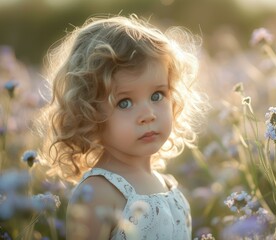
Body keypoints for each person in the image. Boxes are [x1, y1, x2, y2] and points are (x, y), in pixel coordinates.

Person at [37, 14, 207, 240]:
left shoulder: (166, 183)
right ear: (88, 113)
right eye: (124, 103)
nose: (148, 114)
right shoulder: (98, 193)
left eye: (157, 95)